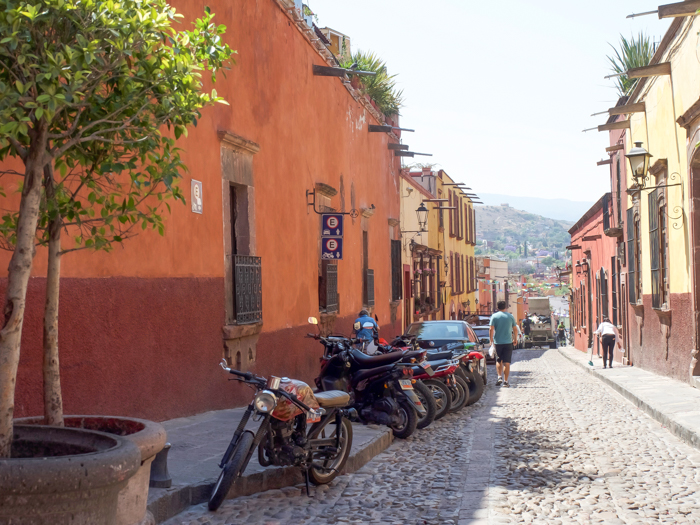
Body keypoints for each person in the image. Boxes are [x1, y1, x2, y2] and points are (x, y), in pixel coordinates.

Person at [489, 301, 518, 387]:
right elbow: (515, 329)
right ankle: (506, 381)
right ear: (505, 307)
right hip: (508, 342)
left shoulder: (494, 316)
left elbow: (491, 329)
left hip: (498, 342)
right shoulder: (510, 316)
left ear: (497, 307)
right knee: (507, 362)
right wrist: (515, 339)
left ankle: (499, 377)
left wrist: (491, 340)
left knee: (498, 360)